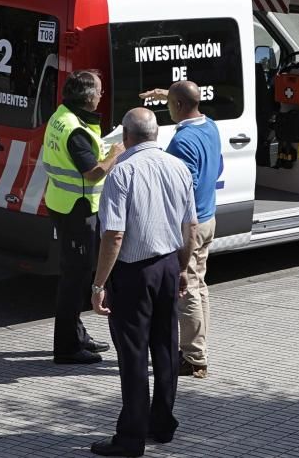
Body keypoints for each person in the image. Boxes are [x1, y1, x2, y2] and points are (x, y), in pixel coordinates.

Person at [90, 108, 198, 457]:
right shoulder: (178, 167)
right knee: (166, 348)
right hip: (168, 265)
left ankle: (131, 439)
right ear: (155, 134)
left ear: (126, 137)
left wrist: (98, 284)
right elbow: (190, 226)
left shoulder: (122, 174)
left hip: (133, 273)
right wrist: (182, 268)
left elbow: (115, 234)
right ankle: (162, 424)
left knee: (134, 357)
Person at [140, 81, 222, 379]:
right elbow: (218, 169)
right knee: (198, 287)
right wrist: (167, 94)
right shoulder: (210, 126)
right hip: (208, 217)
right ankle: (196, 349)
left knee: (185, 289)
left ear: (177, 107)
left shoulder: (182, 142)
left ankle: (194, 358)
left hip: (191, 225)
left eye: (170, 104)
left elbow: (182, 189)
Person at [44, 69, 124, 365]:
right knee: (74, 280)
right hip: (76, 209)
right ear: (88, 97)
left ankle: (77, 334)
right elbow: (92, 174)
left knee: (76, 274)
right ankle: (66, 348)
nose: (102, 96)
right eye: (100, 92)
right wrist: (116, 152)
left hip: (61, 203)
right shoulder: (75, 131)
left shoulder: (61, 116)